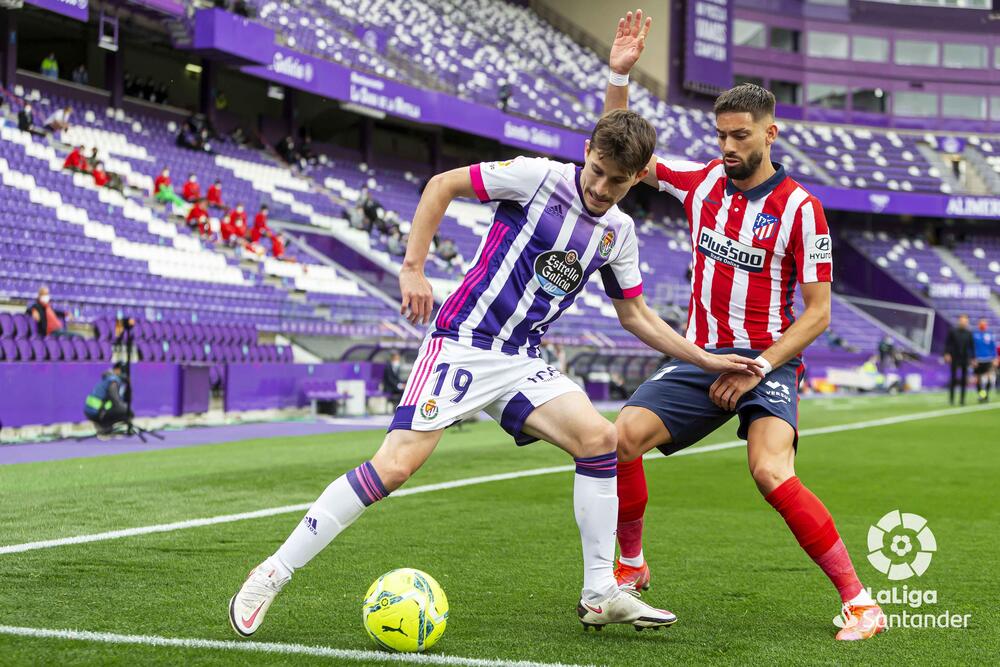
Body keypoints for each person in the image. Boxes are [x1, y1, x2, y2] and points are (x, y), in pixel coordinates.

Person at [227, 108, 762, 637]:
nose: (601, 187)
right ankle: (272, 573)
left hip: (521, 359)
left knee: (600, 438)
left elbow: (636, 315)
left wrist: (705, 358)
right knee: (393, 468)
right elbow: (441, 185)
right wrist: (412, 266)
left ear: (638, 177)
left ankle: (600, 593)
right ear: (586, 153)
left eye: (617, 180)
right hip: (463, 343)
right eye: (596, 170)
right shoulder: (537, 177)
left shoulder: (618, 233)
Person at [603, 11, 884, 641]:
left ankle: (861, 603)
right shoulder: (701, 181)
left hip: (768, 362)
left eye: (739, 136)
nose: (727, 147)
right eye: (721, 135)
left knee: (769, 472)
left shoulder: (801, 210)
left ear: (769, 134)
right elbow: (618, 152)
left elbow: (818, 312)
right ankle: (631, 564)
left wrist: (760, 364)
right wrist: (617, 76)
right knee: (621, 438)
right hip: (702, 357)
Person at [83, 362, 132, 437]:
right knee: (127, 412)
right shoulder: (113, 381)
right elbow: (115, 400)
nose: (125, 373)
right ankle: (104, 426)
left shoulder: (109, 379)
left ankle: (105, 427)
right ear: (116, 370)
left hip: (93, 411)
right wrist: (127, 410)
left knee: (124, 410)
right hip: (97, 412)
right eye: (123, 370)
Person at [944, 314, 975, 406]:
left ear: (967, 322)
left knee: (964, 379)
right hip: (955, 357)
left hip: (965, 358)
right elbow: (947, 343)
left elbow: (971, 347)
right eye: (962, 320)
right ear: (959, 321)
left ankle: (962, 400)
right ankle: (951, 399)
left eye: (965, 321)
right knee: (953, 378)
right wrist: (947, 354)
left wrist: (973, 358)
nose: (963, 322)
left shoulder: (969, 333)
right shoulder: (953, 331)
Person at [972, 318, 996, 403]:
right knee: (978, 379)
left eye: (985, 323)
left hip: (988, 360)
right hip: (978, 360)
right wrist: (972, 358)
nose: (983, 325)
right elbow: (972, 347)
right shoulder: (974, 334)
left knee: (989, 378)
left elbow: (993, 347)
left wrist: (994, 358)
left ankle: (986, 395)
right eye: (981, 323)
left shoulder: (989, 335)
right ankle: (982, 395)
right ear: (979, 324)